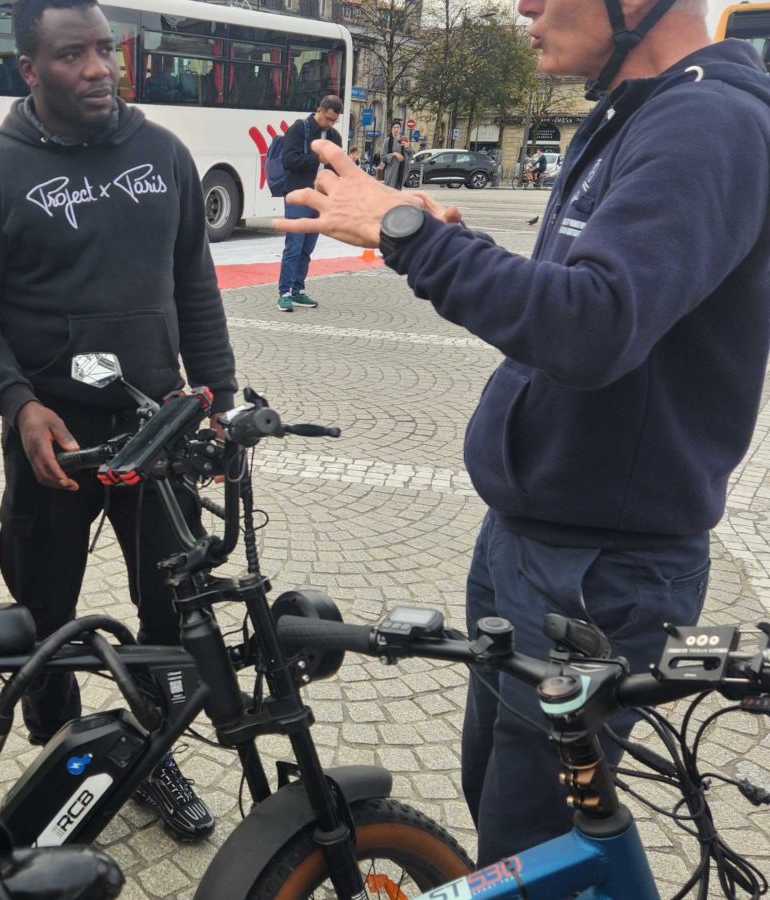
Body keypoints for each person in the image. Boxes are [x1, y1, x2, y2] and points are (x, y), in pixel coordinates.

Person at [276, 0, 770, 868]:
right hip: (533, 541)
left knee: (535, 842)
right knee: (505, 806)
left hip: (600, 566)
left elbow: (592, 327)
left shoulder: (707, 123)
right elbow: (587, 291)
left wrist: (412, 236)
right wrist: (460, 242)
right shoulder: (638, 112)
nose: (524, 8)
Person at [0, 0, 237, 843]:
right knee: (43, 609)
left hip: (158, 428)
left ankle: (150, 756)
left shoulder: (165, 155)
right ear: (29, 69)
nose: (100, 68)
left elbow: (195, 286)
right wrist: (18, 401)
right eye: (73, 54)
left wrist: (219, 397)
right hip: (54, 440)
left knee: (168, 609)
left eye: (107, 49)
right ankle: (65, 743)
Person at [276, 94, 342, 313]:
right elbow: (289, 160)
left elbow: (336, 168)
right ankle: (284, 293)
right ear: (319, 111)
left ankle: (298, 289)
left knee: (307, 247)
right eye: (329, 119)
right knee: (294, 245)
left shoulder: (334, 137)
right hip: (298, 194)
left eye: (334, 120)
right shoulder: (299, 129)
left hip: (320, 198)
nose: (331, 124)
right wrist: (317, 159)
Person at [380, 121, 411, 190]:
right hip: (391, 170)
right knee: (389, 190)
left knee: (398, 190)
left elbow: (411, 155)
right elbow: (383, 156)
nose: (396, 129)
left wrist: (407, 147)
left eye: (398, 127)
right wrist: (394, 154)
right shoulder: (387, 141)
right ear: (391, 129)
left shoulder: (404, 140)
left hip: (402, 169)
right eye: (394, 127)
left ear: (400, 129)